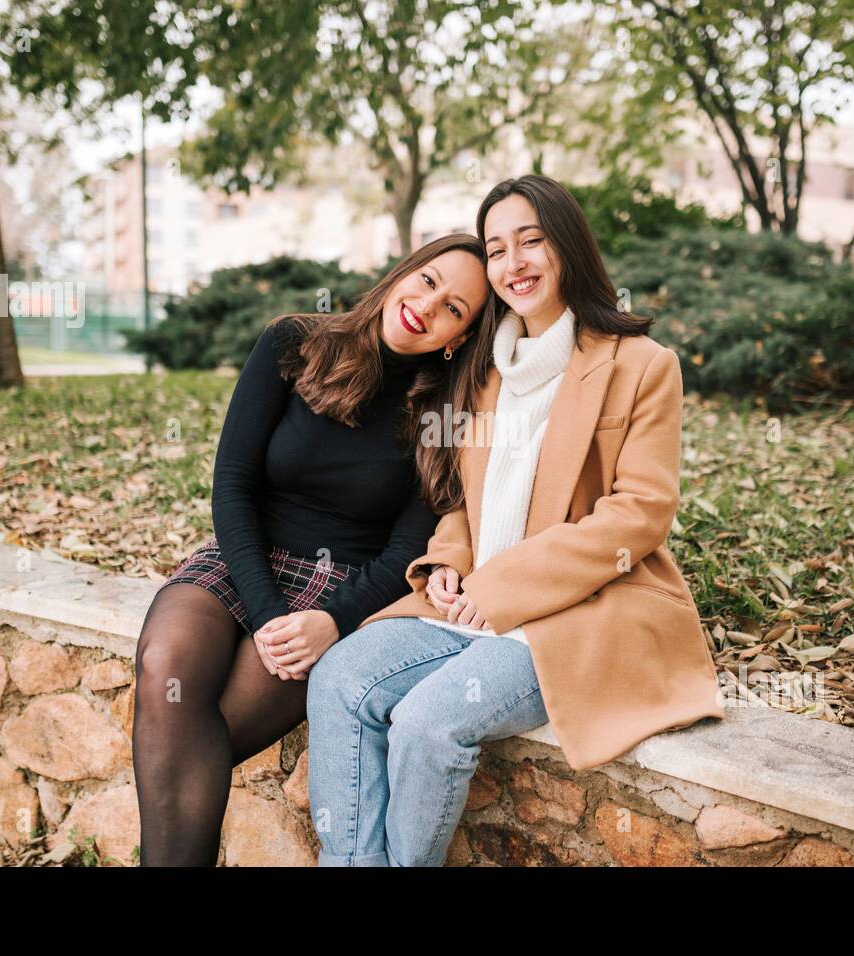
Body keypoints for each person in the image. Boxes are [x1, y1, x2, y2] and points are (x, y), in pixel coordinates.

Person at [306, 175, 725, 867]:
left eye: (532, 241)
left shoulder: (643, 366)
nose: (513, 263)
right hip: (466, 603)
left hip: (571, 614)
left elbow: (638, 514)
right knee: (339, 678)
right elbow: (458, 498)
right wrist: (448, 563)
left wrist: (499, 590)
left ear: (568, 247)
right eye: (497, 248)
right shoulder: (480, 368)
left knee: (428, 721)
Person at [133, 233, 496, 866]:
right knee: (166, 667)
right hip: (241, 557)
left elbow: (406, 547)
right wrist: (267, 607)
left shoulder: (445, 412)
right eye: (430, 281)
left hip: (338, 595)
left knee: (192, 732)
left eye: (455, 309)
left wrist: (331, 623)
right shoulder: (294, 343)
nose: (428, 306)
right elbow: (233, 483)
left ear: (457, 339)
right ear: (406, 272)